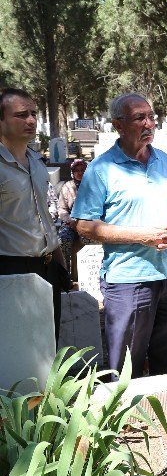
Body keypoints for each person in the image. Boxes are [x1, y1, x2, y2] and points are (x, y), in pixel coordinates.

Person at [73, 93, 167, 375]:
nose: (149, 123)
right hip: (129, 281)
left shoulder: (164, 162)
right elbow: (84, 225)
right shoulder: (101, 169)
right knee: (126, 368)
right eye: (140, 118)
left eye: (151, 116)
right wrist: (142, 236)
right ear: (119, 125)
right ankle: (128, 419)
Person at [0, 88, 67, 340]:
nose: (30, 120)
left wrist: (60, 263)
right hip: (11, 269)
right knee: (19, 345)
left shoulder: (37, 162)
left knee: (49, 340)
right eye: (21, 115)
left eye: (33, 114)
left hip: (48, 266)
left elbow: (45, 218)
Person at [57, 159, 88, 282]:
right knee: (63, 240)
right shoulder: (67, 187)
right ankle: (66, 275)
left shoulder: (94, 185)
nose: (80, 173)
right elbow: (62, 209)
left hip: (89, 223)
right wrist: (71, 221)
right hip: (70, 223)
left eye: (82, 170)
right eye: (77, 171)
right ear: (72, 172)